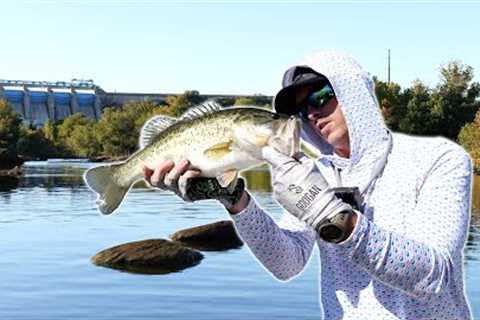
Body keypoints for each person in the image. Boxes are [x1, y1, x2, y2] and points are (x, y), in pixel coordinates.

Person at [143, 50, 473, 319]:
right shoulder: (317, 173)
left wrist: (325, 212)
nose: (312, 114)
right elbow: (287, 262)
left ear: (355, 93)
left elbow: (433, 276)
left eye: (322, 97)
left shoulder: (439, 159)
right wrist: (236, 200)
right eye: (302, 111)